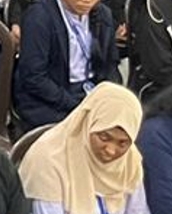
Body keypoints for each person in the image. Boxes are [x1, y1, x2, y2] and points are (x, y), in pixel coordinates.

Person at [15, 0, 123, 129]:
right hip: (51, 98)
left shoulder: (103, 14)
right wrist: (75, 105)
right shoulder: (39, 17)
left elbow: (110, 64)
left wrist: (108, 94)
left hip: (91, 91)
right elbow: (34, 77)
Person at [22, 83, 148, 214]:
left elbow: (138, 210)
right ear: (89, 123)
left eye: (122, 144)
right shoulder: (48, 160)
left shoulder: (130, 160)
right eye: (104, 137)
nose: (111, 150)